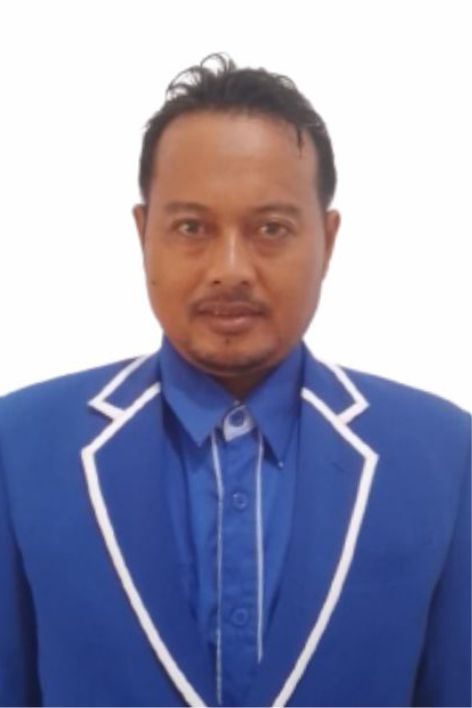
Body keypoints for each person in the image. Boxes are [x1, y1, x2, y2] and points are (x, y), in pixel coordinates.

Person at [0, 53, 470, 708]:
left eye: (271, 229)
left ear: (327, 240)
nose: (230, 268)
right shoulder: (21, 448)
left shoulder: (444, 455)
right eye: (191, 228)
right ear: (143, 234)